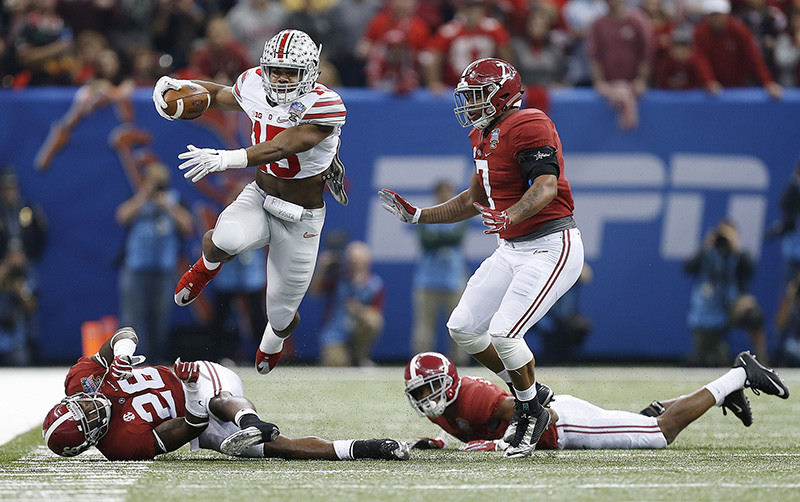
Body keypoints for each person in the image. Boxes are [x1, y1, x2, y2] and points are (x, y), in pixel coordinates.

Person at [379, 57, 584, 458]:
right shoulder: (482, 134)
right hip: (512, 248)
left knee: (506, 333)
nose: (470, 104)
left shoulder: (528, 123)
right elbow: (474, 200)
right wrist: (420, 216)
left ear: (503, 95)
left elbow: (545, 186)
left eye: (477, 95)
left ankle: (530, 411)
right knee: (465, 327)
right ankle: (531, 392)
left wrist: (511, 214)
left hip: (550, 243)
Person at [152, 29, 349, 376]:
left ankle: (271, 340)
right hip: (260, 196)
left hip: (302, 216)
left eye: (292, 72)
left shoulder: (326, 104)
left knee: (282, 313)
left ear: (311, 73)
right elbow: (215, 93)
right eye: (275, 70)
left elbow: (285, 145)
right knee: (223, 239)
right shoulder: (254, 83)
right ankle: (204, 269)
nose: (282, 78)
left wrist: (229, 159)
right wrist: (174, 85)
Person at [42, 326, 410, 461]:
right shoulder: (120, 447)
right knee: (266, 451)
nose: (91, 406)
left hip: (206, 377)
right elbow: (190, 426)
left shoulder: (81, 378)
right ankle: (363, 447)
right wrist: (186, 391)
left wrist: (120, 356)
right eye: (88, 419)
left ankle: (253, 420)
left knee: (219, 401)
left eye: (79, 405)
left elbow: (125, 333)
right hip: (192, 407)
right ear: (89, 440)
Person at [403, 351, 789, 452]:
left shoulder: (474, 399)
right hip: (564, 425)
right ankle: (723, 390)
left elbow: (536, 414)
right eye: (419, 392)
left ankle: (739, 375)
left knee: (658, 434)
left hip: (563, 425)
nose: (427, 398)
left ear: (450, 381)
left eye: (430, 387)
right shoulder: (444, 411)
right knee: (642, 423)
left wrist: (499, 443)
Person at [115, 161, 194, 363]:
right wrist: (144, 196)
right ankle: (129, 361)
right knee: (132, 318)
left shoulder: (174, 200)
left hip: (164, 270)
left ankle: (155, 361)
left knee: (159, 319)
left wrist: (167, 205)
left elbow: (188, 226)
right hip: (135, 268)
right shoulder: (138, 198)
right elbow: (122, 216)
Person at [684, 220, 767, 366]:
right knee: (706, 358)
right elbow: (687, 268)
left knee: (753, 315)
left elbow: (748, 276)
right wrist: (705, 246)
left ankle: (763, 361)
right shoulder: (707, 253)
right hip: (707, 310)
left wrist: (735, 247)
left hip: (730, 307)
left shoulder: (740, 256)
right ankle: (714, 352)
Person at [411, 181, 469, 365]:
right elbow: (425, 241)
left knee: (458, 326)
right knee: (424, 327)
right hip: (427, 279)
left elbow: (457, 237)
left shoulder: (460, 214)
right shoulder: (425, 214)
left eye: (448, 192)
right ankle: (422, 364)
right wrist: (442, 238)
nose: (445, 196)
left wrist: (437, 238)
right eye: (441, 192)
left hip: (453, 279)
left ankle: (459, 362)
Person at [317, 241, 385, 366]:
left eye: (359, 261)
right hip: (335, 333)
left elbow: (376, 314)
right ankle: (344, 357)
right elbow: (316, 292)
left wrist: (358, 310)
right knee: (336, 363)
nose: (355, 264)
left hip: (357, 331)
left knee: (374, 320)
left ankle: (361, 357)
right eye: (352, 260)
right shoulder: (337, 278)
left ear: (367, 261)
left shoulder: (375, 284)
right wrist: (321, 267)